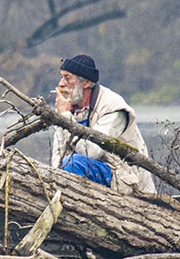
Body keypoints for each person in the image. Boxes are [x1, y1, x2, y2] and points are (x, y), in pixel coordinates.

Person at [50, 54, 157, 196]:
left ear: (86, 83)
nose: (61, 83)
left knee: (74, 163)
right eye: (61, 77)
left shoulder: (113, 108)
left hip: (126, 181)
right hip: (88, 178)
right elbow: (59, 153)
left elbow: (93, 151)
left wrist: (64, 117)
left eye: (68, 78)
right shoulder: (69, 109)